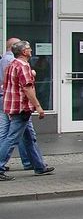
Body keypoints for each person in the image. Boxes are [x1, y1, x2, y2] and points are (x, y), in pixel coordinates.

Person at [0, 41, 53, 180]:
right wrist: (38, 106)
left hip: (12, 105)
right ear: (24, 52)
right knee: (12, 138)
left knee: (30, 137)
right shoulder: (23, 66)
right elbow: (27, 88)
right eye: (29, 49)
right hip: (21, 107)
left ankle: (39, 166)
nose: (31, 51)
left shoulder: (11, 64)